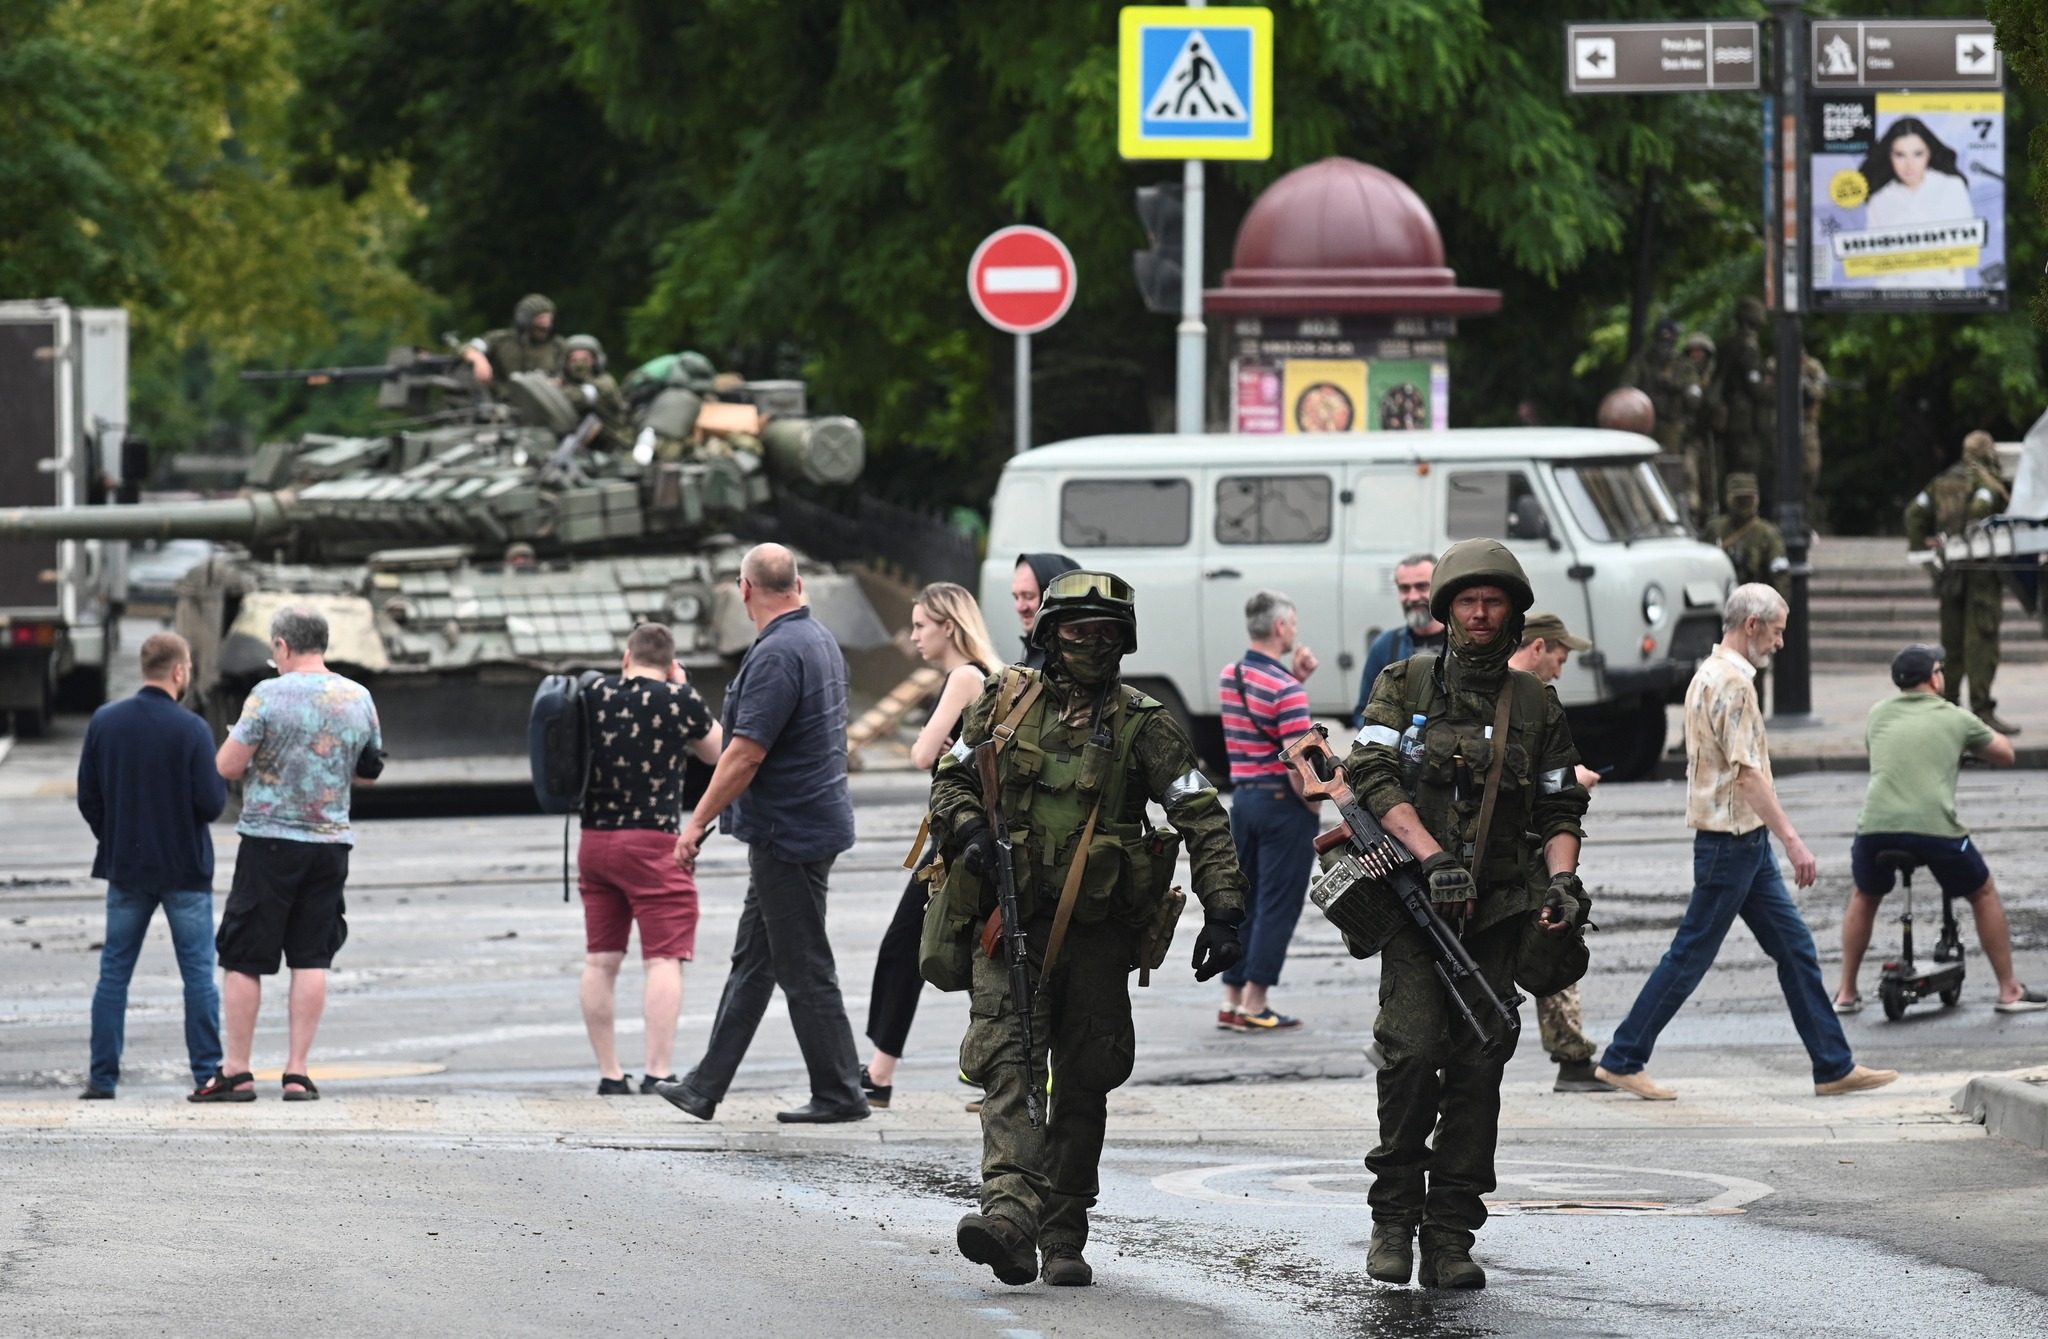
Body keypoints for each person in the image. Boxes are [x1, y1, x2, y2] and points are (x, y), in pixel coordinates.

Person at [930, 570, 1247, 1289]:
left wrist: (1225, 910)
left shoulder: (1144, 722)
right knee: (1009, 1067)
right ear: (1049, 635)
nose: (1092, 644)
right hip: (1011, 925)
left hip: (1100, 939)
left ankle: (1064, 1227)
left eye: (1107, 632)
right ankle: (1008, 1216)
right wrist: (970, 830)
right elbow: (948, 781)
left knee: (1082, 1083)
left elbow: (1202, 814)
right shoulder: (1003, 704)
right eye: (1078, 630)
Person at [1348, 540, 1591, 1291]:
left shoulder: (1537, 703)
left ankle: (1450, 1232)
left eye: (1494, 602)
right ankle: (1394, 1219)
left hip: (1499, 913)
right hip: (1420, 912)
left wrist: (1564, 884)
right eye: (1467, 601)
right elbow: (1368, 772)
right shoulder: (1406, 680)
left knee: (1480, 1068)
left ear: (1514, 613)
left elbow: (1559, 804)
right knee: (1413, 1055)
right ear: (1446, 608)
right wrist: (1430, 855)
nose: (1480, 614)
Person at [1595, 584, 1898, 1103]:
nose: (1781, 643)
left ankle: (1833, 1065)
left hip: (1742, 843)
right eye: (1778, 631)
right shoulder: (1732, 684)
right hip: (1730, 844)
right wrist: (1795, 841)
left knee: (1795, 948)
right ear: (1752, 625)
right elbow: (1747, 776)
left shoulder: (1706, 676)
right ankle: (1624, 1057)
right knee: (1690, 956)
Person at [656, 544, 867, 1124]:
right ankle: (704, 1086)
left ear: (744, 591)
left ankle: (841, 1092)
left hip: (789, 833)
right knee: (755, 962)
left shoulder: (778, 653)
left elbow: (744, 753)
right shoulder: (817, 639)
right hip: (803, 823)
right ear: (799, 583)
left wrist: (695, 822)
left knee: (804, 968)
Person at [199, 608, 383, 1102]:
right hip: (330, 844)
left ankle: (237, 1071)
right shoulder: (358, 697)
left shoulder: (267, 696)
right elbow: (368, 770)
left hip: (270, 842)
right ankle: (298, 1071)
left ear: (282, 646)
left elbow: (228, 766)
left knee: (244, 956)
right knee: (311, 956)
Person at [1834, 644, 2045, 1014]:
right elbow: (2006, 753)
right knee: (1982, 892)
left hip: (1875, 828)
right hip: (1934, 829)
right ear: (1934, 678)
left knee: (1864, 896)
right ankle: (2009, 990)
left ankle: (1846, 993)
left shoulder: (1877, 714)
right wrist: (1965, 746)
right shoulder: (1955, 717)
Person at [861, 583, 1003, 1109]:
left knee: (905, 948)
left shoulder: (964, 675)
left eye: (921, 624)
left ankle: (879, 1075)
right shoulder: (993, 671)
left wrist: (938, 746)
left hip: (952, 845)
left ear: (948, 625)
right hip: (974, 839)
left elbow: (923, 754)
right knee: (976, 955)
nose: (913, 634)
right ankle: (1002, 1075)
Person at [76, 633, 228, 1100]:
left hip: (127, 869)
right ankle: (206, 1072)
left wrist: (117, 837)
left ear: (146, 668)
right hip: (185, 871)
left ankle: (103, 1078)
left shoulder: (105, 722)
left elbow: (88, 798)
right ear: (179, 672)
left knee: (114, 975)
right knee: (198, 976)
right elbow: (212, 802)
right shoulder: (193, 730)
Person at [578, 622, 721, 1095]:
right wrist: (684, 688)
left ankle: (609, 1074)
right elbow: (720, 752)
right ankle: (657, 1071)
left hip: (594, 842)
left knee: (600, 961)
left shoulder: (593, 693)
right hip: (653, 843)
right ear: (671, 663)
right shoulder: (678, 700)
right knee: (663, 959)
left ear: (626, 658)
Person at [1504, 613, 1607, 1093]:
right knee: (1554, 936)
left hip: (1521, 855)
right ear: (1538, 646)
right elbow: (1528, 783)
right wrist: (1576, 782)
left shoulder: (1514, 694)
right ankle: (1571, 1056)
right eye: (1560, 659)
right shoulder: (1521, 697)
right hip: (1523, 857)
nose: (1560, 672)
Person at [1216, 590, 1320, 1032]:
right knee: (1278, 904)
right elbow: (1298, 764)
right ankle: (1257, 1005)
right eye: (1293, 623)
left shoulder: (1230, 675)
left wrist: (1293, 679)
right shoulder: (1287, 691)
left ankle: (1232, 998)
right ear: (1280, 627)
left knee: (1247, 900)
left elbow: (1262, 713)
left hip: (1244, 802)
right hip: (1282, 806)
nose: (1295, 630)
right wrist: (1313, 807)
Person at [1906, 431, 2015, 734]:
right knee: (1981, 641)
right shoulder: (1985, 483)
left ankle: (1948, 707)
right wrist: (1972, 541)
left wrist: (1924, 557)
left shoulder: (1942, 482)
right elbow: (1981, 510)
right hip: (1981, 574)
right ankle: (1982, 710)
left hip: (1950, 572)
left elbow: (1914, 513)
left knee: (1951, 644)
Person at [1861, 118, 1975, 289]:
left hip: (1945, 294)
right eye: (1900, 155)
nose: (1909, 165)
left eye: (1918, 154)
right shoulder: (1879, 200)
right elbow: (1876, 260)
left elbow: (1967, 244)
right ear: (1889, 156)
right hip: (1894, 296)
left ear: (1929, 153)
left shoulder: (1952, 187)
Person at [1354, 552, 1447, 726]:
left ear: (1439, 587)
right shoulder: (1385, 645)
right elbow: (1362, 712)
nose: (1412, 597)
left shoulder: (1461, 645)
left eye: (1421, 587)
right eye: (1405, 589)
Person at [1715, 298, 1772, 480]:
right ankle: (1743, 508)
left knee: (1733, 467)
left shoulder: (1728, 342)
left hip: (1731, 415)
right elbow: (1755, 388)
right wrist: (1772, 389)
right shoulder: (1747, 346)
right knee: (1745, 467)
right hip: (1743, 419)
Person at [1708, 473, 1790, 600]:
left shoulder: (1767, 534)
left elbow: (1780, 577)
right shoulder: (1715, 529)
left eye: (1747, 500)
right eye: (1739, 500)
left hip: (1756, 606)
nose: (1743, 505)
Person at [461, 293, 566, 385]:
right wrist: (479, 360)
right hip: (503, 401)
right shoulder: (501, 339)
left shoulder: (558, 345)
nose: (546, 325)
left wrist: (558, 381)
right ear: (524, 320)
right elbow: (469, 347)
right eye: (540, 319)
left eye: (549, 319)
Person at [561, 333, 633, 453]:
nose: (579, 365)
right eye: (574, 360)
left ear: (596, 361)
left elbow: (578, 397)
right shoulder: (565, 383)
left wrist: (556, 390)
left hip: (613, 447)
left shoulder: (605, 383)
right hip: (578, 448)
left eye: (585, 359)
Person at [1010, 552, 1079, 670]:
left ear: (1053, 598)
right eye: (1016, 597)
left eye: (1028, 596)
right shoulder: (1036, 655)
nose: (1020, 607)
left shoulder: (1064, 666)